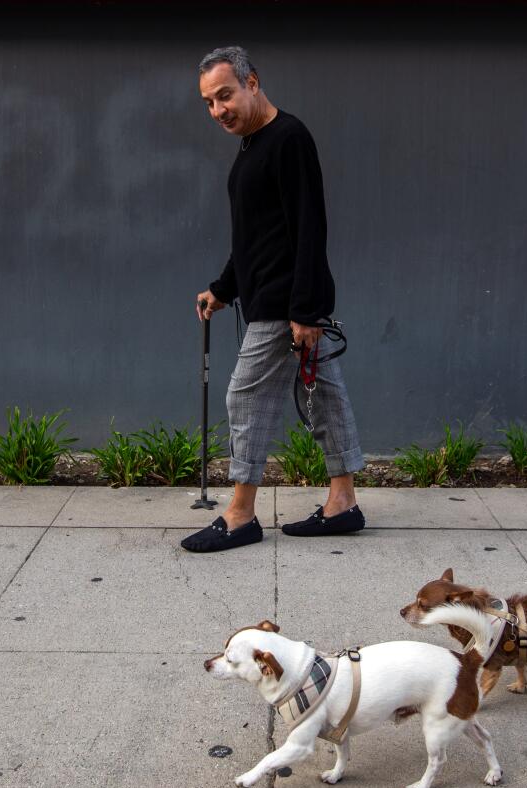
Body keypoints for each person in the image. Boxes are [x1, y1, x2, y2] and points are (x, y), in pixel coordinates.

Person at [181, 46, 366, 554]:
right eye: (208, 102)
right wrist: (222, 289)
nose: (218, 110)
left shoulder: (288, 139)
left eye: (225, 96)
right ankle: (343, 503)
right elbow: (256, 238)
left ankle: (240, 514)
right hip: (278, 299)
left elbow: (309, 227)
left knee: (244, 396)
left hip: (286, 305)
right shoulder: (251, 146)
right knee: (325, 395)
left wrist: (305, 309)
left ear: (253, 83)